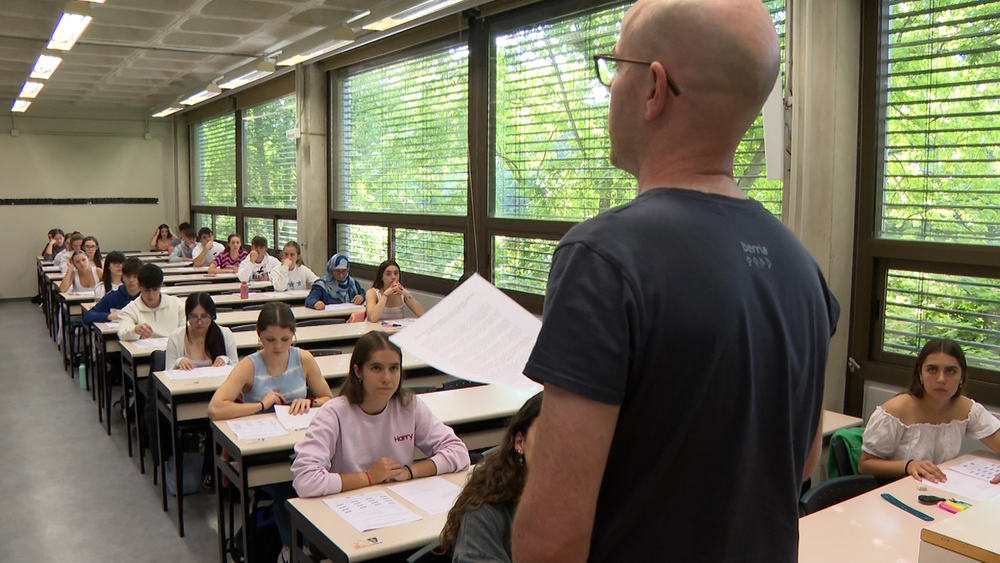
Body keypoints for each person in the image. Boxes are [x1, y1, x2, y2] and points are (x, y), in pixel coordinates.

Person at [512, 1, 840, 561]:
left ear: (654, 88)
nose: (612, 85)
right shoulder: (802, 270)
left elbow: (552, 541)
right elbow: (802, 461)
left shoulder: (604, 258)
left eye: (616, 67)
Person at [290, 331, 470, 560]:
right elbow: (305, 480)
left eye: (394, 368)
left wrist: (409, 471)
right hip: (348, 519)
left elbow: (458, 451)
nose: (387, 377)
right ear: (358, 371)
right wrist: (368, 477)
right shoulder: (334, 413)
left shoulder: (408, 405)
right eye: (376, 368)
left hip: (399, 514)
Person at [208, 302, 336, 563]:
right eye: (270, 339)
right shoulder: (249, 366)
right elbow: (215, 408)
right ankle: (290, 551)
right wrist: (260, 405)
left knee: (324, 478)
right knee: (288, 487)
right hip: (262, 451)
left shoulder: (303, 359)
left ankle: (318, 547)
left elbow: (329, 399)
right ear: (259, 335)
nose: (278, 346)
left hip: (299, 444)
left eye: (285, 339)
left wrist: (310, 401)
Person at [858, 338, 1000, 484]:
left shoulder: (967, 409)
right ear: (920, 374)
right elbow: (865, 464)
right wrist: (909, 465)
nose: (941, 379)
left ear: (962, 377)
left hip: (941, 489)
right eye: (932, 369)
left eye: (950, 371)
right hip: (897, 489)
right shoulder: (896, 410)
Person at [439, 393, 543, 562]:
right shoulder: (485, 511)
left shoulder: (586, 500)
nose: (558, 449)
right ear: (519, 442)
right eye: (545, 436)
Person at [165, 292, 238, 370]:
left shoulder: (226, 335)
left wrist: (225, 360)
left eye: (204, 317)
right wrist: (178, 362)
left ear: (212, 316)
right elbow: (167, 373)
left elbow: (236, 369)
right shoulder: (175, 337)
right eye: (193, 317)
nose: (199, 322)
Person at [117, 264, 185, 341]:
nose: (151, 295)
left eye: (155, 289)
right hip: (145, 352)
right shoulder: (130, 310)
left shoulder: (177, 304)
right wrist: (135, 329)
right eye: (146, 290)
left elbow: (185, 332)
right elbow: (122, 333)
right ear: (139, 286)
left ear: (161, 286)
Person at [84, 257, 143, 324]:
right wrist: (108, 316)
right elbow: (87, 316)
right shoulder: (113, 296)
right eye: (128, 276)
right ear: (122, 277)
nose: (131, 280)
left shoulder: (148, 297)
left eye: (135, 276)